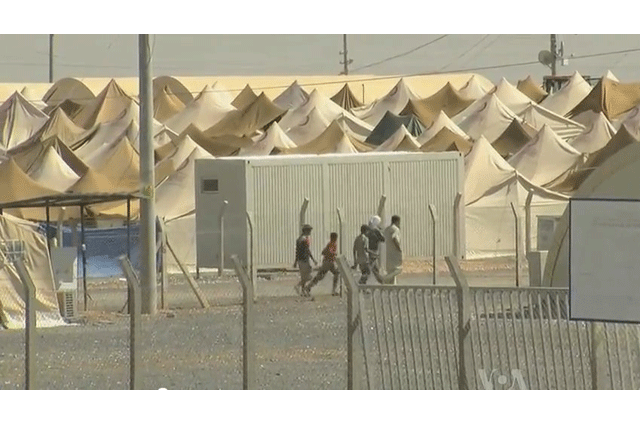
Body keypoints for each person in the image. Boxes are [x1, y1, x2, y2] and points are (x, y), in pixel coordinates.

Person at [306, 232, 340, 296]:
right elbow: (329, 252)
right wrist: (334, 254)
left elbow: (324, 252)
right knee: (321, 276)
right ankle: (308, 287)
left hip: (328, 262)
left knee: (322, 275)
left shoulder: (330, 244)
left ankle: (309, 287)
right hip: (329, 262)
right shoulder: (332, 244)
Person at [293, 224, 317, 297]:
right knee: (308, 276)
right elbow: (307, 250)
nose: (310, 232)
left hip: (302, 260)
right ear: (306, 231)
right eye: (309, 230)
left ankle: (303, 291)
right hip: (304, 260)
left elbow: (297, 251)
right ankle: (298, 286)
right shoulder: (303, 240)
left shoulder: (299, 239)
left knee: (304, 276)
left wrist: (296, 261)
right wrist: (313, 259)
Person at [382, 215, 402, 285]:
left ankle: (391, 287)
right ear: (397, 221)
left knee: (391, 272)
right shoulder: (395, 229)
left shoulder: (387, 229)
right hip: (395, 253)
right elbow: (394, 238)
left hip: (388, 253)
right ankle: (384, 279)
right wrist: (399, 249)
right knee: (398, 269)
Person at [366, 215, 385, 283]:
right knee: (371, 268)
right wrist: (381, 230)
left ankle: (382, 282)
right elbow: (383, 239)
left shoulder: (368, 230)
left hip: (369, 251)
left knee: (374, 269)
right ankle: (362, 282)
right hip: (374, 252)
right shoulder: (376, 231)